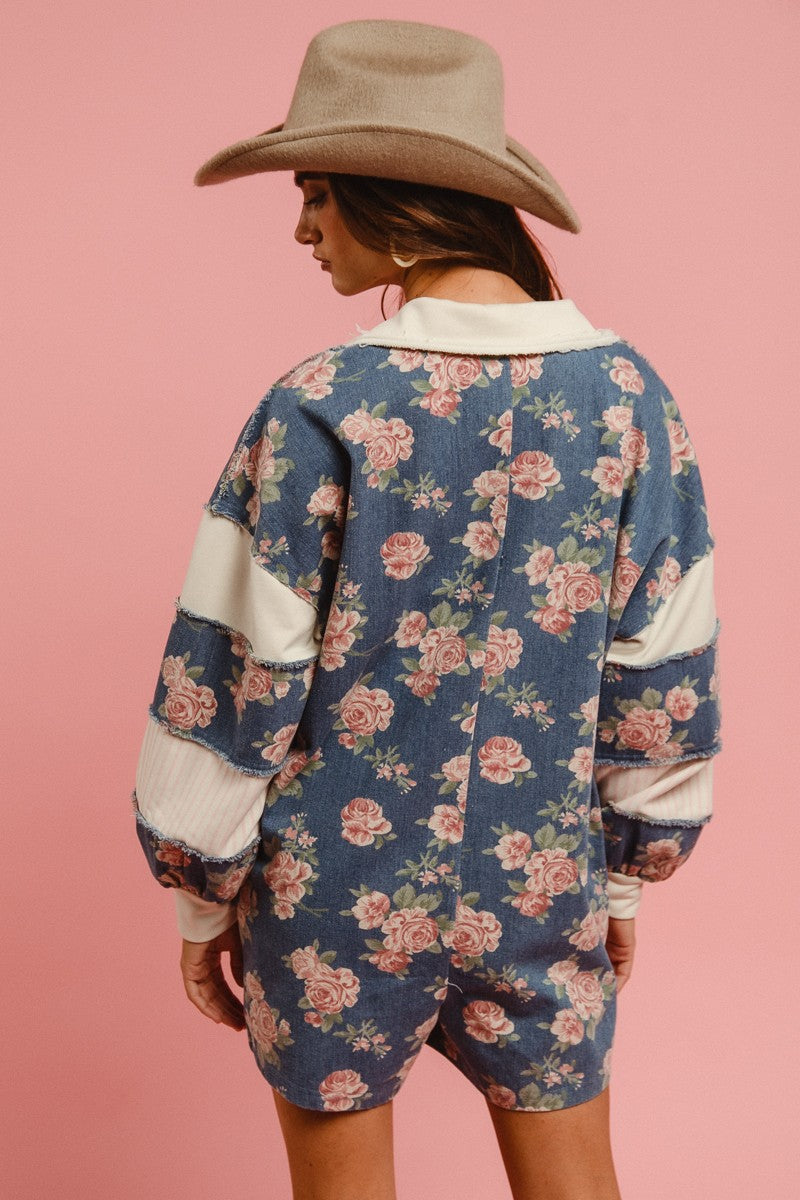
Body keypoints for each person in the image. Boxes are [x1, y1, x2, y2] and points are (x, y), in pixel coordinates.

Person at [132, 19, 721, 1200]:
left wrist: (201, 899)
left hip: (328, 895)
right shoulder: (627, 399)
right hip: (537, 881)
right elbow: (662, 668)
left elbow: (234, 672)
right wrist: (618, 876)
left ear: (391, 200)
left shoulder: (320, 401)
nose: (301, 229)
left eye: (314, 194)